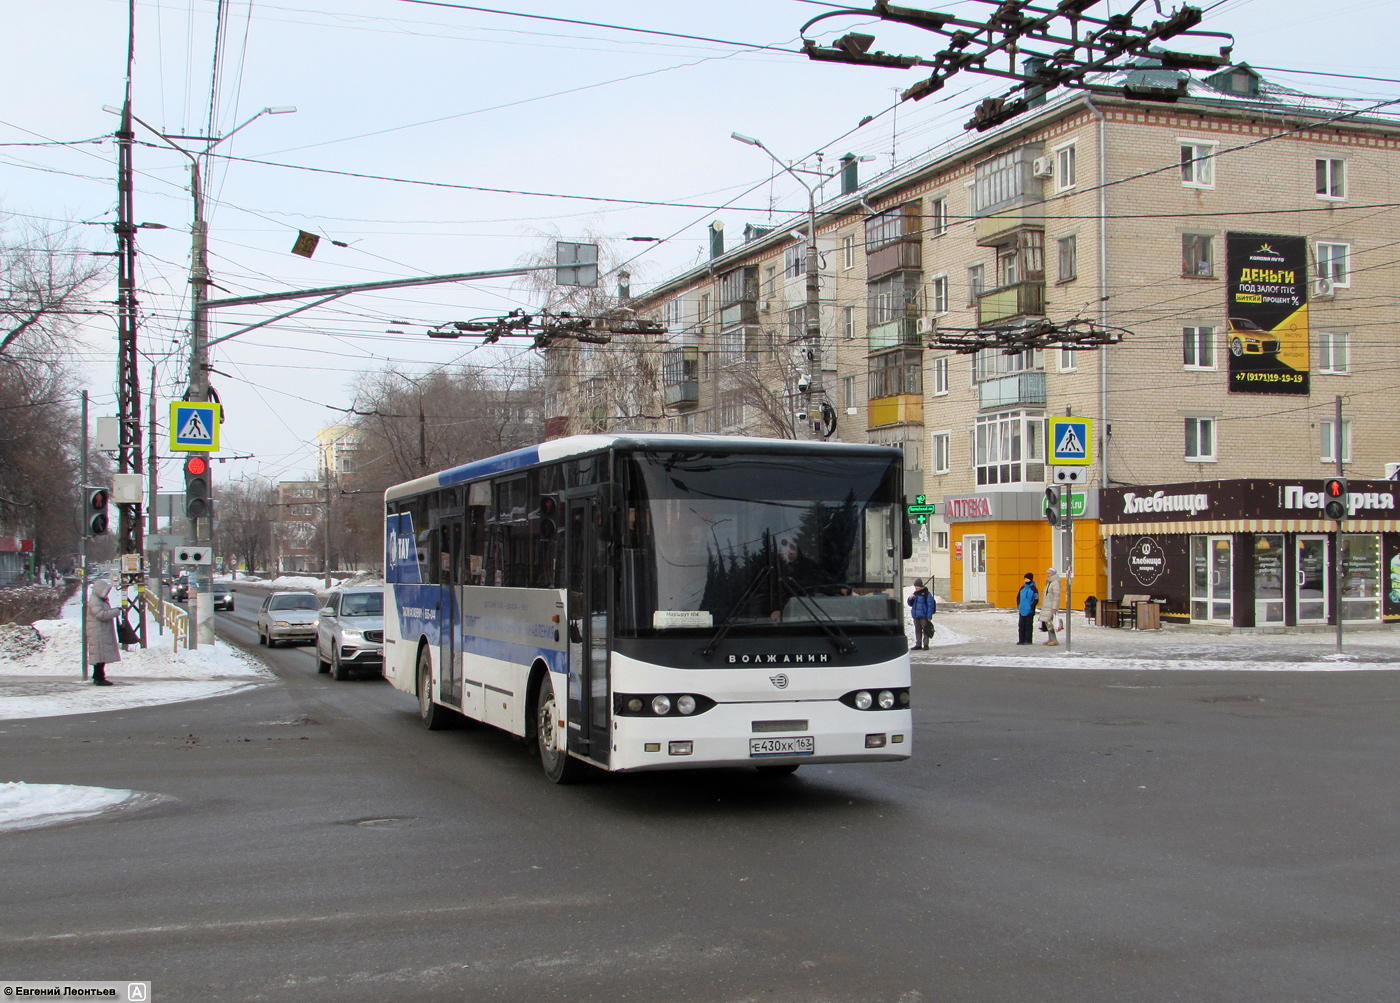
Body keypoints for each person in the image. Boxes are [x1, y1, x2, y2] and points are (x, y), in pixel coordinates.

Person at [86, 579, 122, 685]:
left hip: (100, 631)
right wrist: (115, 612)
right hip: (97, 632)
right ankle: (99, 678)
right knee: (99, 655)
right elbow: (100, 614)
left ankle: (98, 676)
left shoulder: (100, 600)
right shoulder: (95, 601)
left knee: (100, 656)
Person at [907, 578, 936, 649]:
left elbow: (930, 606)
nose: (916, 588)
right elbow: (910, 604)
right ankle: (918, 644)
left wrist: (929, 616)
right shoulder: (915, 594)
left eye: (917, 586)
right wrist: (909, 599)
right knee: (918, 630)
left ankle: (926, 644)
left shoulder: (927, 594)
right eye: (915, 586)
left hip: (924, 616)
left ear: (921, 586)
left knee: (925, 630)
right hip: (916, 615)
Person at [1038, 567, 1062, 646]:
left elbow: (1056, 596)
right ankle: (1050, 638)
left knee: (1050, 623)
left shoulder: (1055, 583)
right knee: (1047, 622)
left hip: (1050, 607)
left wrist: (1054, 607)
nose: (1047, 575)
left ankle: (1053, 639)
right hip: (1046, 606)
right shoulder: (1049, 582)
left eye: (1049, 573)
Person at [1016, 572, 1039, 645]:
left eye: (1027, 578)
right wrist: (1019, 605)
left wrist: (1031, 606)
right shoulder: (1022, 588)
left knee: (1028, 626)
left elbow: (1036, 599)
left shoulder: (1033, 589)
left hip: (1029, 610)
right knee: (1021, 626)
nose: (1025, 580)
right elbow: (1018, 597)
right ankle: (1021, 640)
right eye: (1025, 578)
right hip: (1022, 609)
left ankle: (1028, 640)